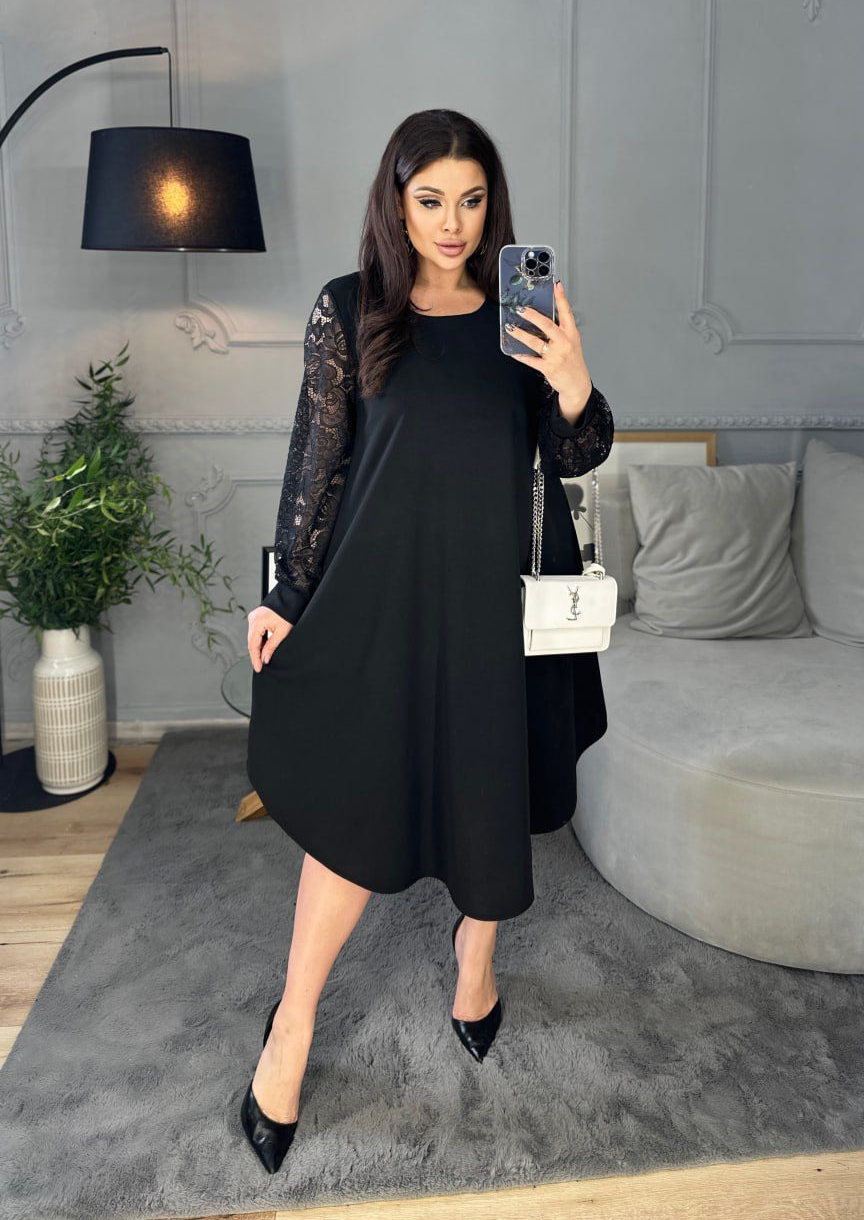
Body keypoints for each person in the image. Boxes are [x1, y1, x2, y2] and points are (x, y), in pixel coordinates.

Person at [241, 108, 615, 1172]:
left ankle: (475, 962)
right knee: (356, 811)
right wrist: (286, 588)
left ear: (494, 206)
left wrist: (573, 380)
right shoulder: (350, 308)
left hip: (497, 600)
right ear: (396, 202)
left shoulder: (522, 317)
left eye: (473, 200)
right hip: (382, 595)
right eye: (431, 199)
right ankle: (294, 1022)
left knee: (491, 789)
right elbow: (316, 463)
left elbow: (576, 454)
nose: (453, 222)